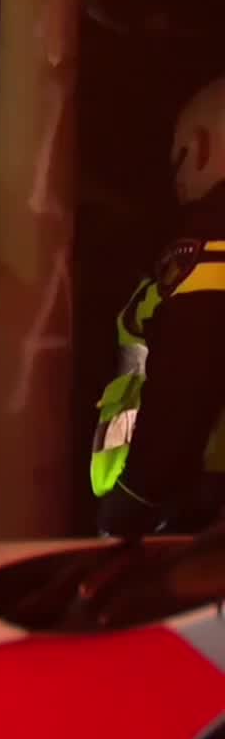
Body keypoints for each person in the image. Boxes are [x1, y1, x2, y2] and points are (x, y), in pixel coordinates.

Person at [94, 77, 225, 539]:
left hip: (203, 511)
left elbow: (188, 376)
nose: (178, 183)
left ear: (203, 148)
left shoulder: (210, 243)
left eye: (179, 163)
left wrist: (134, 501)